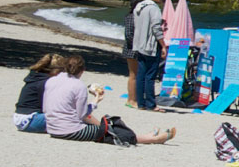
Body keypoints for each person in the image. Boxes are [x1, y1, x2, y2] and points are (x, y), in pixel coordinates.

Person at [42, 54, 175, 144]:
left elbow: (46, 107)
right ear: (82, 70)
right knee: (111, 130)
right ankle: (150, 139)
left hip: (52, 127)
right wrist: (96, 101)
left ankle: (148, 135)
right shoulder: (78, 86)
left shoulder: (51, 81)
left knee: (105, 126)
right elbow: (82, 114)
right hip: (70, 131)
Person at [129, 0, 166, 111]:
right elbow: (156, 28)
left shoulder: (138, 7)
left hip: (139, 44)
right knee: (150, 75)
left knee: (141, 74)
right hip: (151, 45)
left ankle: (141, 103)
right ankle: (150, 104)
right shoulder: (153, 8)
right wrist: (163, 45)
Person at [14, 53, 63, 133]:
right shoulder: (45, 83)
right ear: (56, 71)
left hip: (19, 119)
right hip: (31, 120)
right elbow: (48, 106)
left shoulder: (35, 78)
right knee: (67, 117)